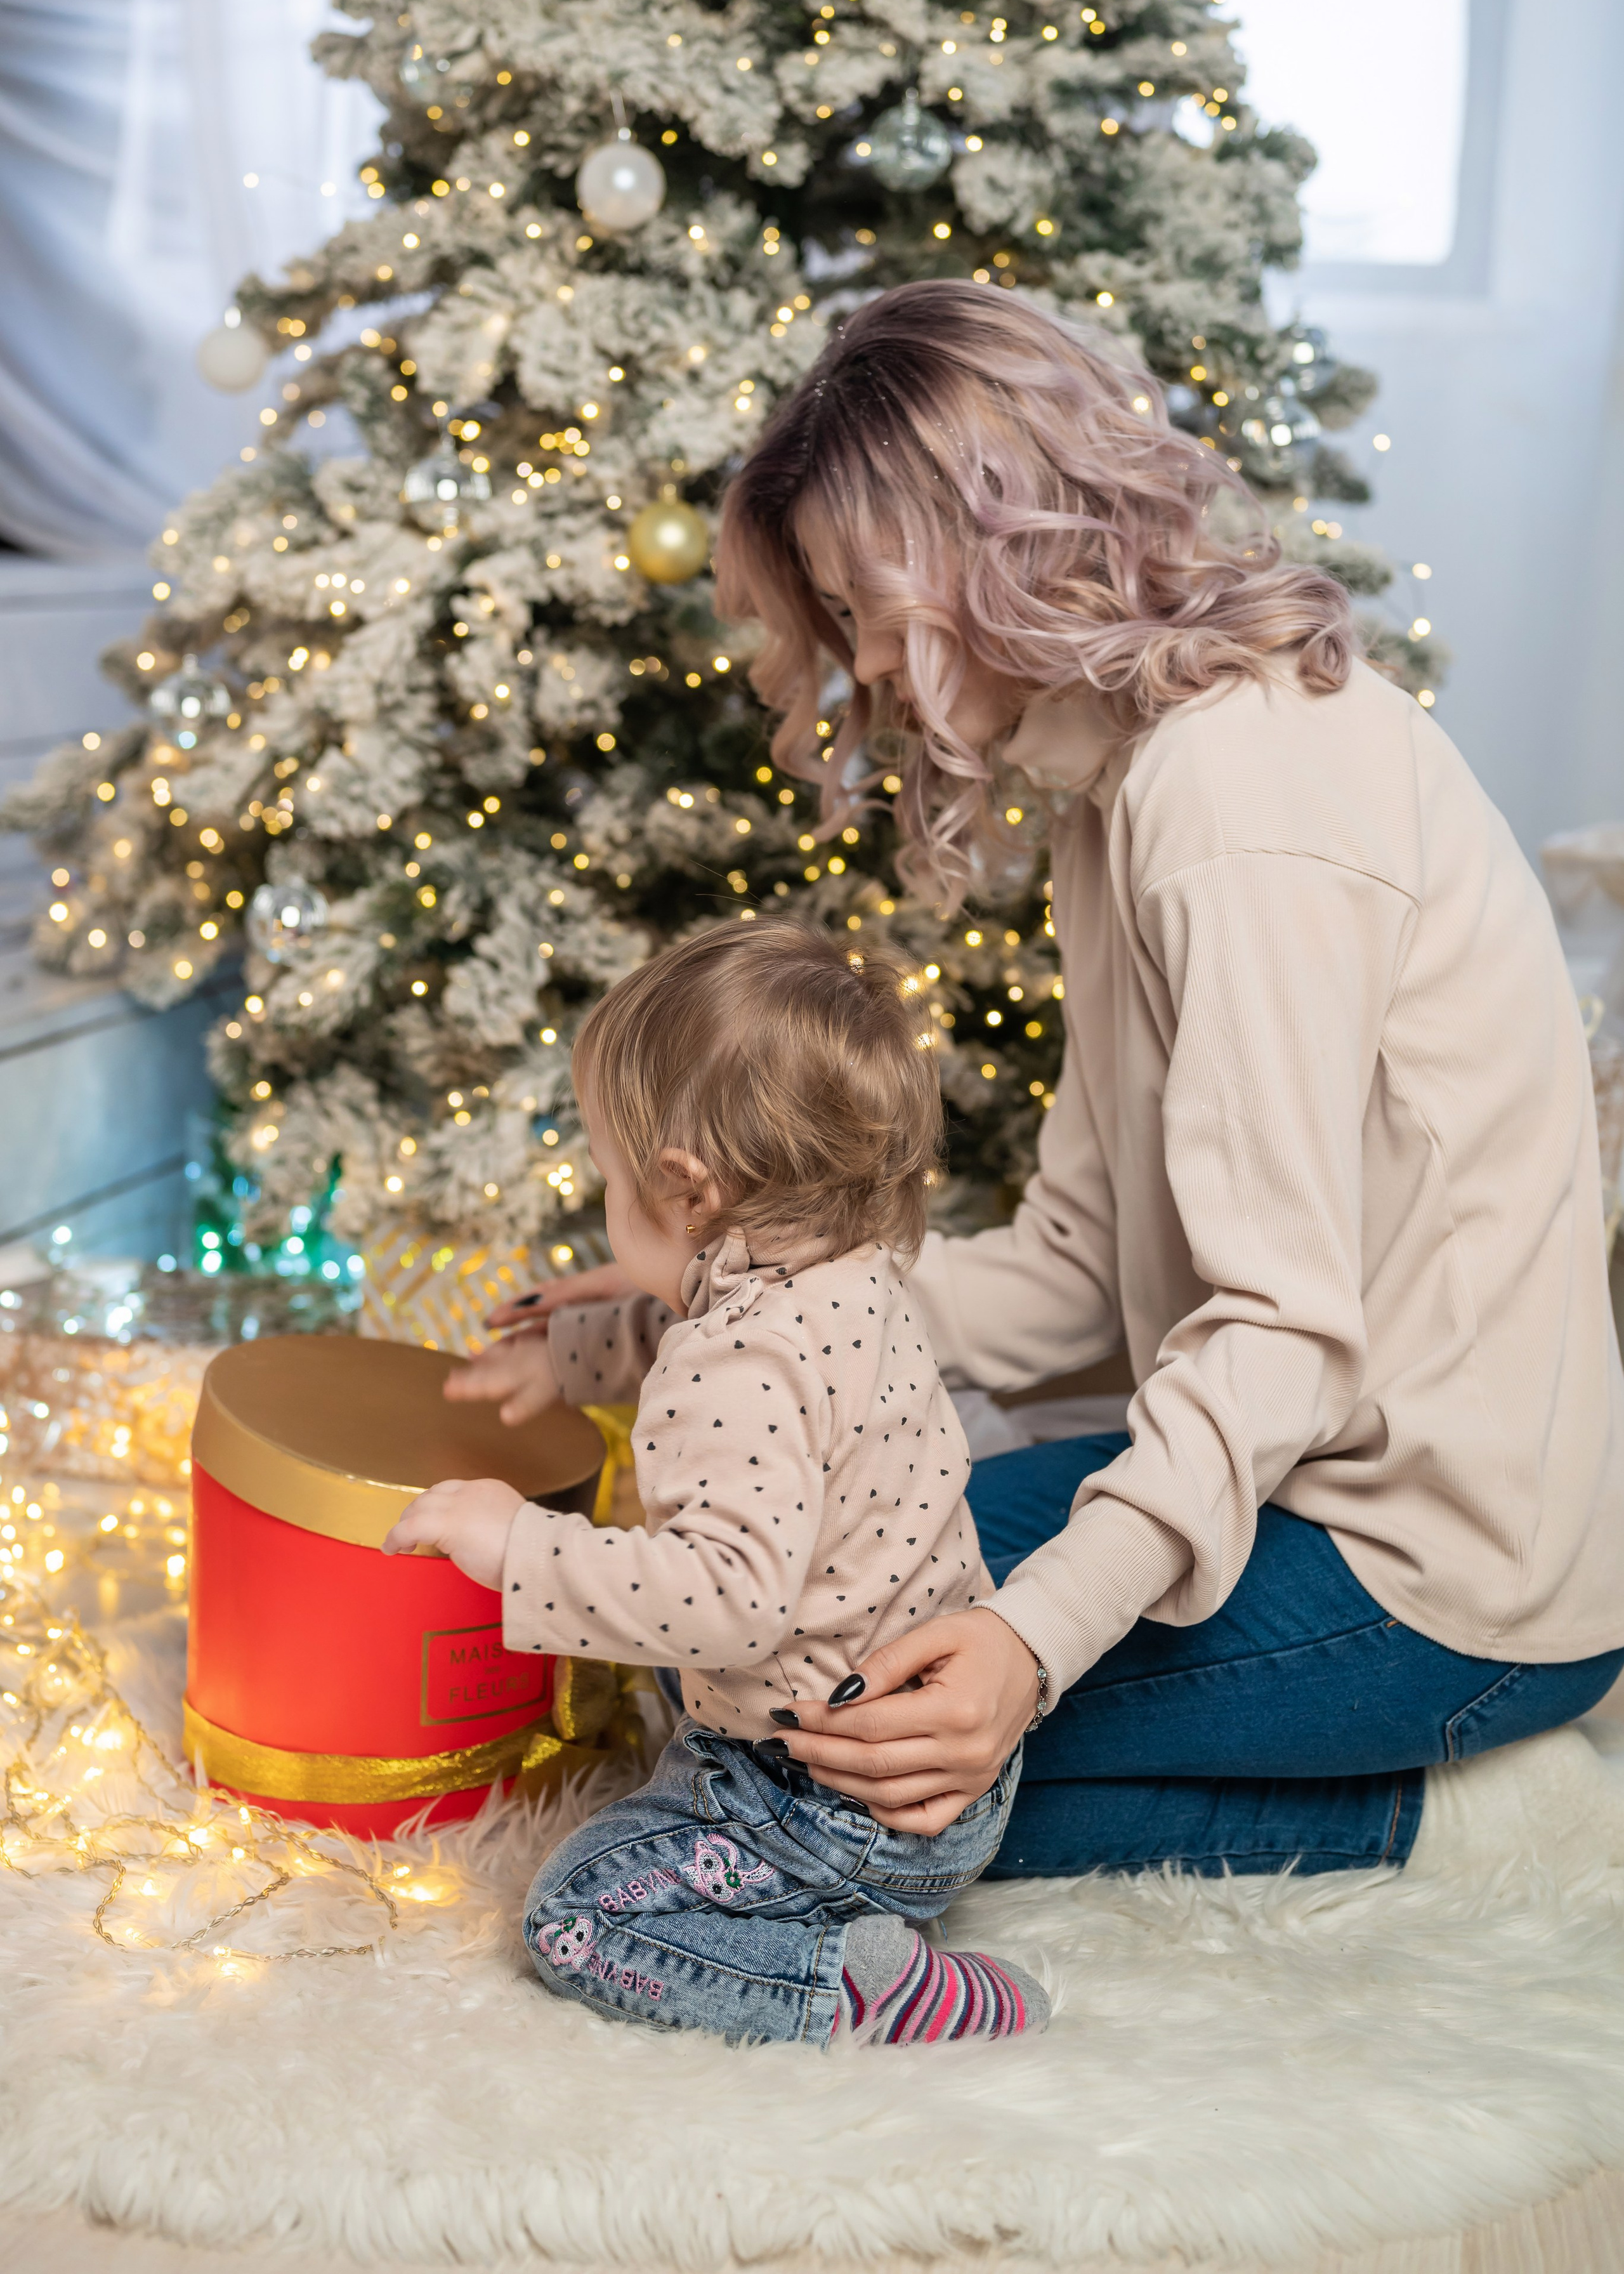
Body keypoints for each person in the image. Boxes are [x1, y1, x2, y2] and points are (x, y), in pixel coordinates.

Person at [498, 279, 1624, 1882]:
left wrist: (1027, 1644)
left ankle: (1454, 1819)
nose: (869, 669)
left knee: (830, 1764)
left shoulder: (1238, 799)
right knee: (783, 1653)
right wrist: (708, 1302)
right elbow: (1070, 1278)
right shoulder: (1131, 784)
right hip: (1315, 1496)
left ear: (980, 540)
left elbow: (1280, 1336)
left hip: (1440, 1572)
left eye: (864, 603)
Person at [382, 917, 1049, 2046]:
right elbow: (701, 1317)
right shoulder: (854, 1276)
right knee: (649, 1701)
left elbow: (730, 1603)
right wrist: (567, 1356)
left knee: (577, 1916)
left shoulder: (731, 1367)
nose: (603, 1200)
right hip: (949, 1770)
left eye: (606, 1175)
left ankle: (856, 1981)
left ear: (685, 1191)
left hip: (832, 1813)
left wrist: (516, 1546)